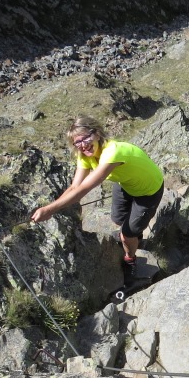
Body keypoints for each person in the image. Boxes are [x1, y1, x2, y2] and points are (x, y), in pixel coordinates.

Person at [31, 117, 164, 282]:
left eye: (86, 138)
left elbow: (84, 189)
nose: (83, 145)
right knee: (117, 219)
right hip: (125, 183)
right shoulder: (84, 155)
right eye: (77, 142)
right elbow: (75, 187)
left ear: (97, 134)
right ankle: (135, 235)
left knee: (127, 234)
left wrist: (50, 210)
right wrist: (49, 209)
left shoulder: (112, 152)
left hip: (148, 190)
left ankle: (130, 259)